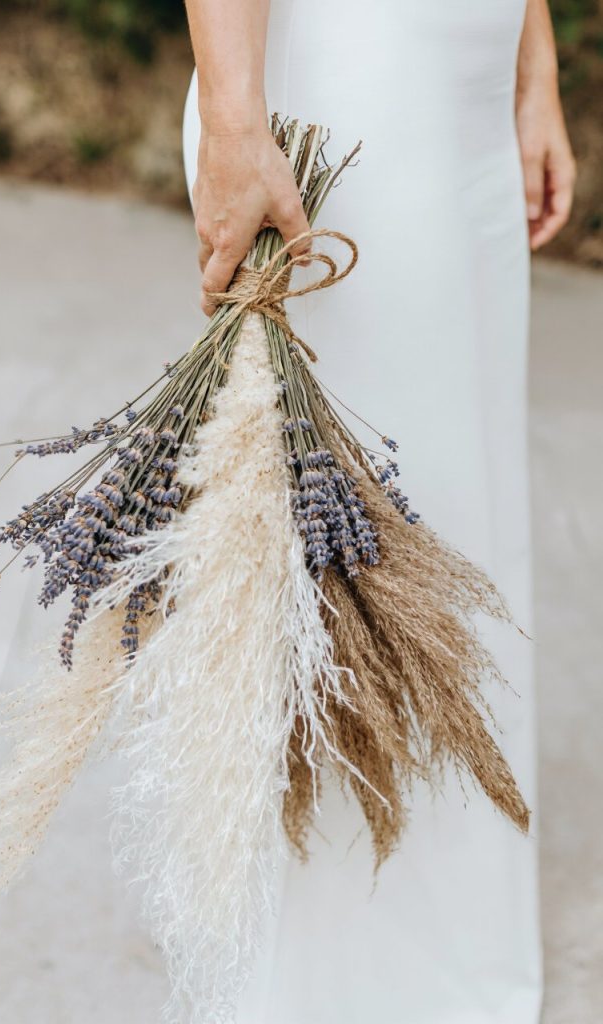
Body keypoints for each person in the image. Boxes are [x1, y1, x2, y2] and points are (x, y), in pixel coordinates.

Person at [182, 1, 575, 1023]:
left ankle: (450, 960)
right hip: (356, 77)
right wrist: (233, 115)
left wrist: (531, 68)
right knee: (350, 551)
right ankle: (337, 979)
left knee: (459, 512)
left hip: (467, 89)